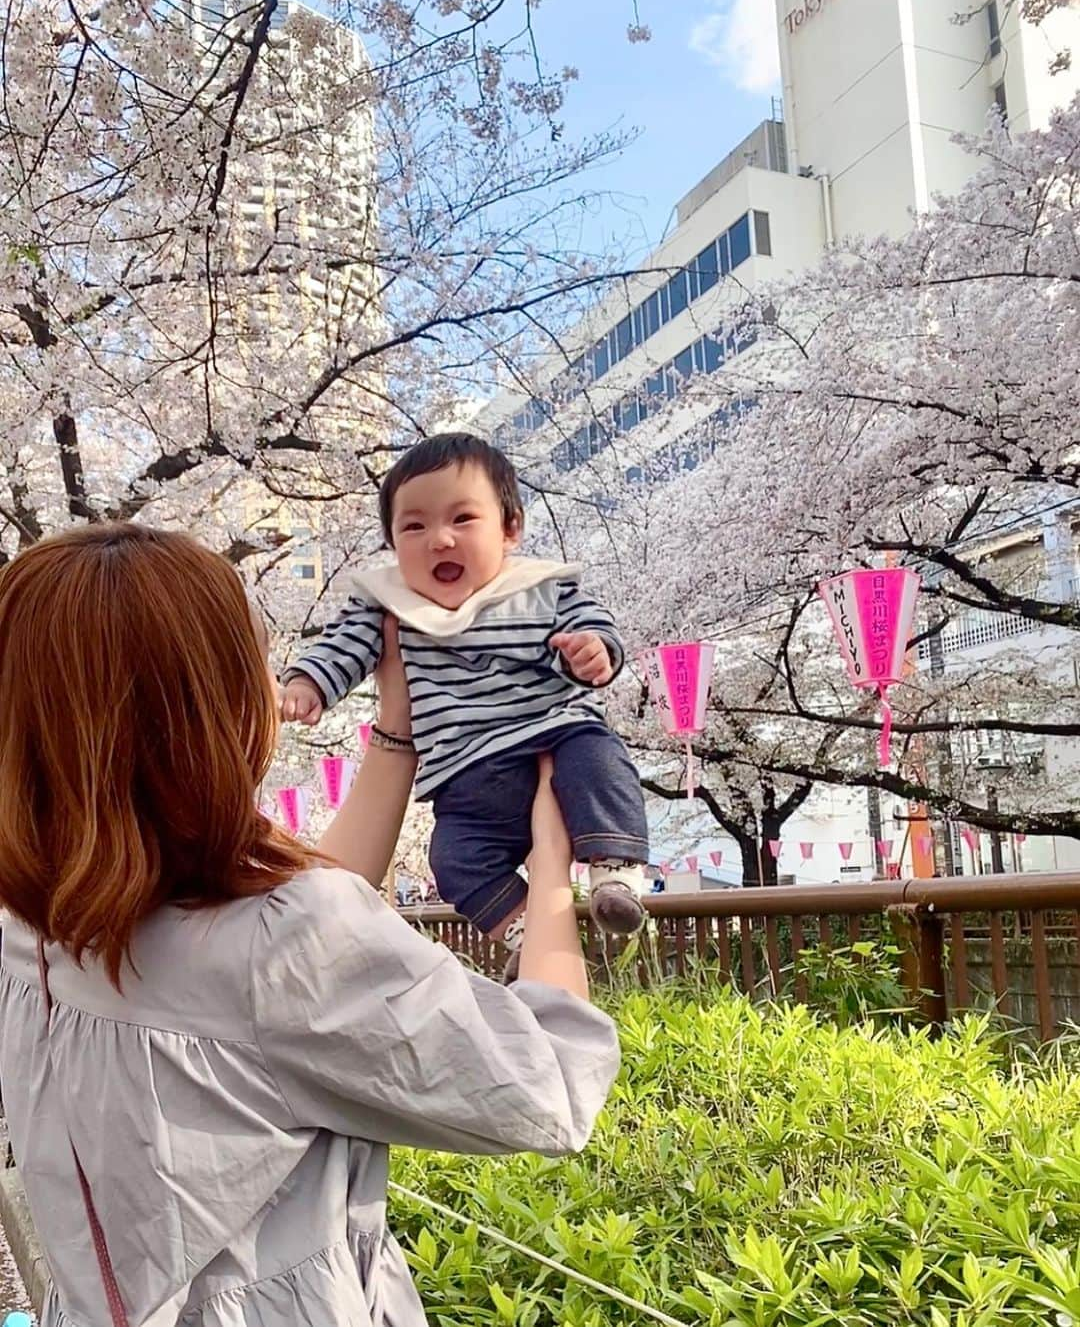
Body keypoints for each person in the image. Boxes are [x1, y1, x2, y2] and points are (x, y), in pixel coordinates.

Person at [0, 524, 620, 1327]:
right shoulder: (278, 943)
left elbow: (277, 966)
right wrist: (550, 880)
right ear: (213, 703)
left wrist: (395, 736)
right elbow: (550, 1088)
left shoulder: (31, 926)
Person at [280, 433, 649, 975]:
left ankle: (614, 869)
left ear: (510, 528)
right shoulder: (389, 605)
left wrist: (592, 653)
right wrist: (307, 682)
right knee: (452, 860)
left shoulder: (543, 588)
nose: (440, 540)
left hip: (555, 732)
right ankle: (521, 926)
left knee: (602, 764)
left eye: (463, 519)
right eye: (414, 526)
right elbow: (345, 645)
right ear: (392, 542)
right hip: (467, 772)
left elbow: (592, 628)